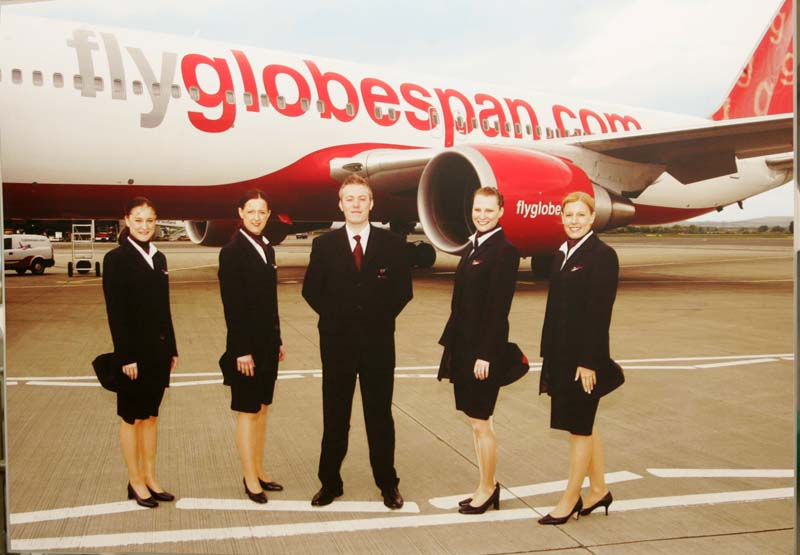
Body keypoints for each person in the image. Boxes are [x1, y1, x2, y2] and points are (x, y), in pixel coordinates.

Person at [302, 174, 413, 509]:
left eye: (362, 198)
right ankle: (330, 482)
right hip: (337, 344)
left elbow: (402, 292)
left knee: (379, 415)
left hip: (379, 344)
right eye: (349, 199)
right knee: (335, 414)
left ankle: (387, 483)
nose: (355, 205)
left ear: (371, 203)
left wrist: (376, 319)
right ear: (340, 204)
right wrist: (339, 320)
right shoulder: (324, 245)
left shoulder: (392, 243)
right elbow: (311, 290)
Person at [537, 191, 624, 525]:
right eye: (568, 215)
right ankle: (599, 488)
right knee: (583, 425)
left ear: (592, 218)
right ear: (562, 218)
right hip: (560, 356)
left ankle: (570, 498)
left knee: (579, 429)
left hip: (583, 360)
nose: (573, 220)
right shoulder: (562, 254)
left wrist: (589, 361)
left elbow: (599, 313)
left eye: (580, 215)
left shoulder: (602, 255)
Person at [438, 187, 520, 515]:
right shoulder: (474, 247)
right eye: (477, 209)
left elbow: (498, 309)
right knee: (475, 421)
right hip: (464, 348)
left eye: (488, 210)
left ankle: (488, 489)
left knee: (482, 421)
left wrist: (486, 354)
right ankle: (484, 484)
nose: (482, 215)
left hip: (481, 354)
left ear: (501, 212)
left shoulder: (504, 251)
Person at [102, 197, 178, 508]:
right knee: (132, 417)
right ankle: (135, 481)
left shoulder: (158, 258)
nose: (144, 226)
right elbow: (116, 312)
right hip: (133, 354)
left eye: (149, 220)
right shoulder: (116, 259)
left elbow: (164, 308)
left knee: (151, 416)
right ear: (127, 221)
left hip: (158, 351)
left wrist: (172, 347)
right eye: (138, 220)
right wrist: (125, 356)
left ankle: (150, 476)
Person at [218, 190, 286, 504]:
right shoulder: (233, 252)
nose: (257, 217)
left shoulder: (266, 249)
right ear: (241, 213)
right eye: (251, 211)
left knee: (262, 410)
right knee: (248, 411)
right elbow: (233, 305)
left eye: (262, 212)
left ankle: (258, 469)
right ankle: (249, 477)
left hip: (267, 344)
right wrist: (241, 349)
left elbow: (269, 303)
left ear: (268, 214)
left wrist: (278, 339)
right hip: (246, 349)